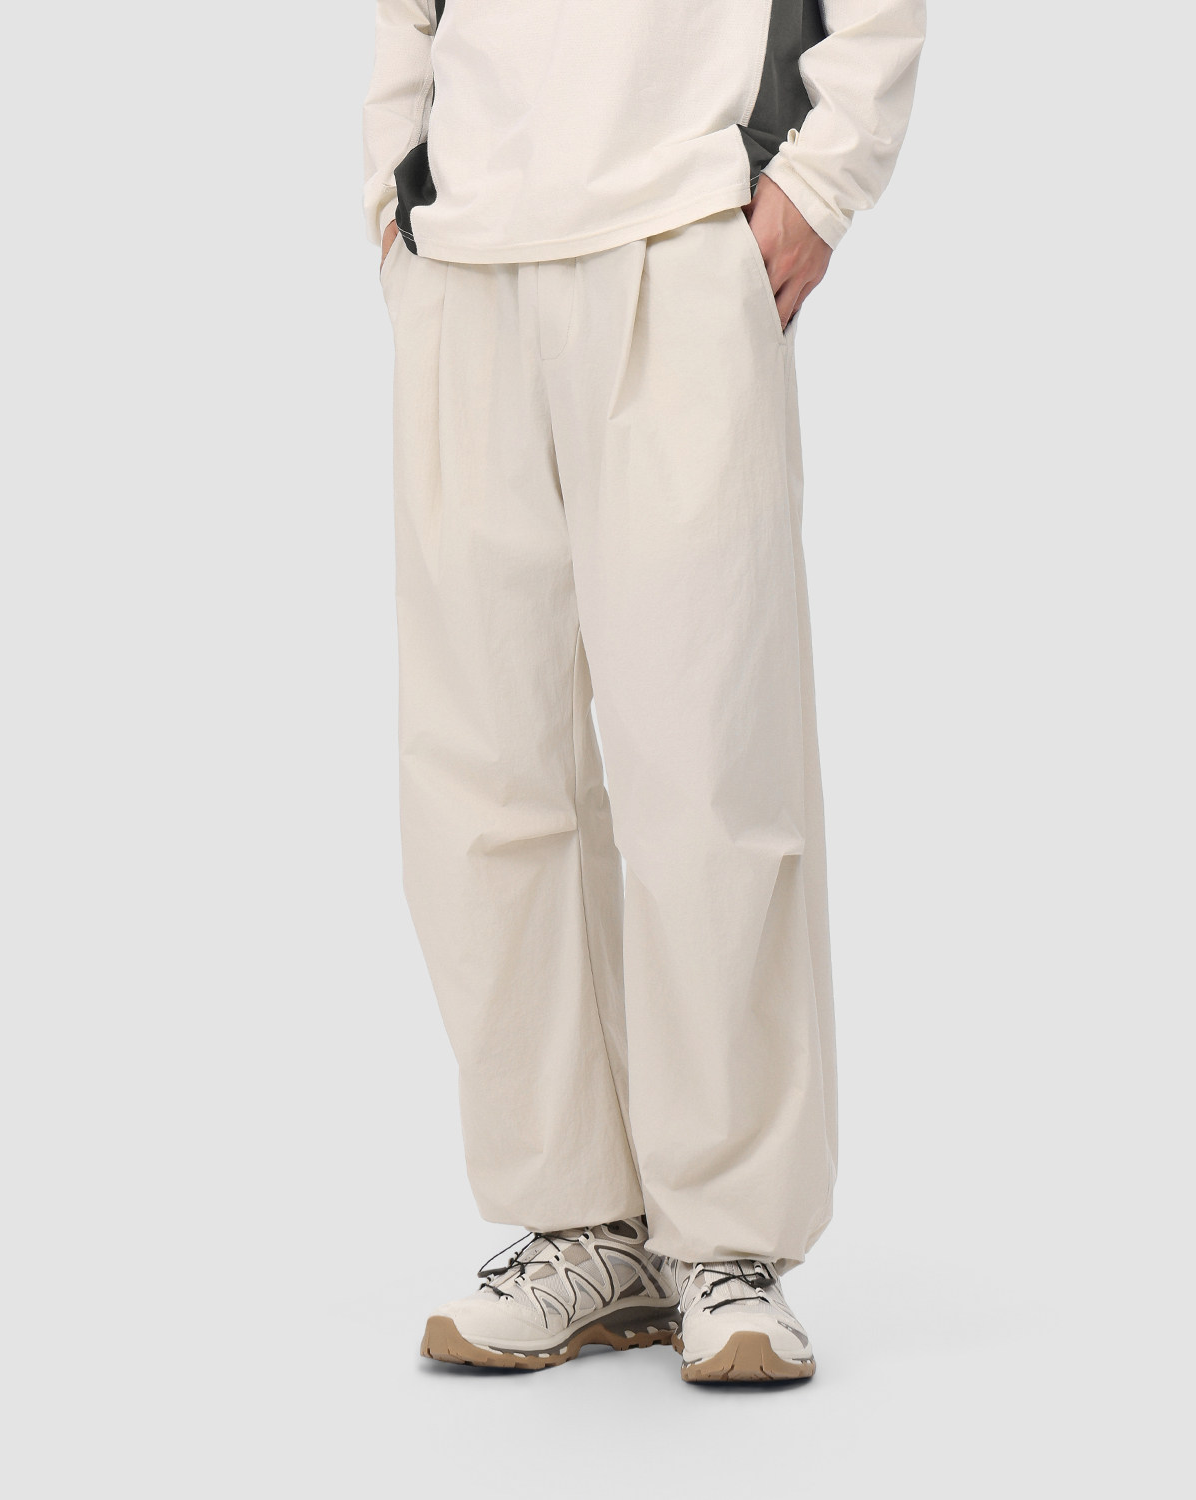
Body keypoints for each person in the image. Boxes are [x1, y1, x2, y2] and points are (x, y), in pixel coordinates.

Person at [363, 0, 924, 1382]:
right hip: (467, 244)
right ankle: (580, 1223)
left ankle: (726, 1239)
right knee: (484, 779)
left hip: (681, 221)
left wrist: (822, 179)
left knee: (707, 764)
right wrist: (393, 184)